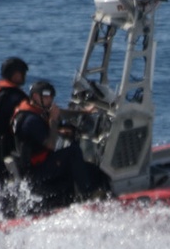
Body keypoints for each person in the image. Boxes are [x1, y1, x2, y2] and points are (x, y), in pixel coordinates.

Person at [12, 80, 105, 210]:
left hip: (42, 164)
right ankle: (87, 197)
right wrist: (54, 122)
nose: (49, 100)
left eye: (51, 97)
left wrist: (84, 112)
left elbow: (59, 113)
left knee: (89, 168)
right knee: (73, 152)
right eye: (46, 97)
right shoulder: (30, 121)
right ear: (35, 97)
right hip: (35, 172)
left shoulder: (34, 110)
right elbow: (50, 144)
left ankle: (95, 196)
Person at [0, 57, 29, 175]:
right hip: (7, 144)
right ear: (15, 74)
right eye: (22, 73)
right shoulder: (14, 96)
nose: (24, 76)